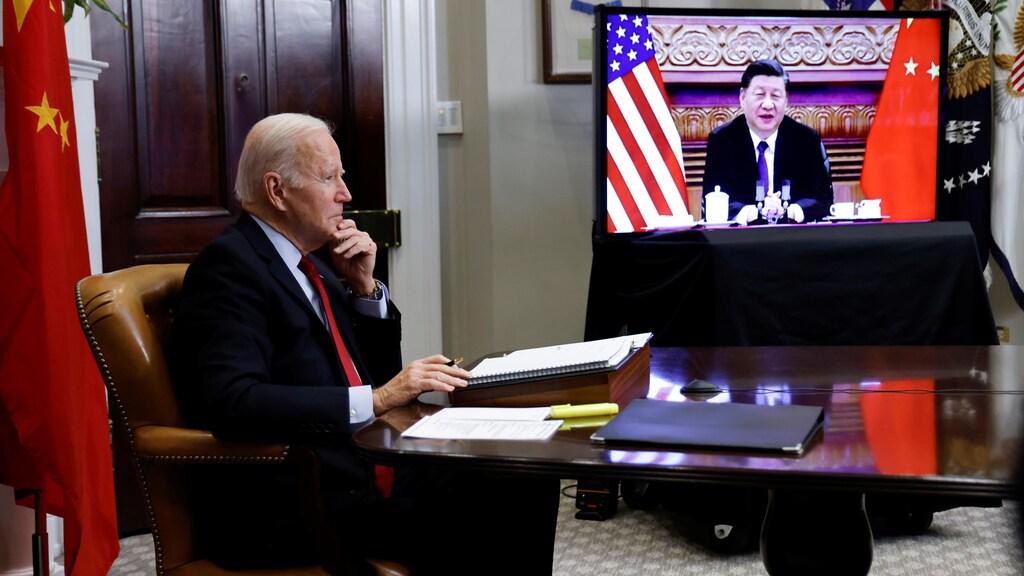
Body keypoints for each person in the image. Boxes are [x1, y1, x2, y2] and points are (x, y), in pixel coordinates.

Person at [170, 113, 558, 574]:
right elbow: (235, 401)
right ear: (277, 190)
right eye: (329, 177)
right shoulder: (230, 268)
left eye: (343, 176)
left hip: (362, 469)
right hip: (298, 498)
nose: (346, 194)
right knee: (479, 518)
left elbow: (374, 377)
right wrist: (379, 398)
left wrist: (364, 291)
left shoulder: (314, 264)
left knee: (526, 471)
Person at [702, 59, 834, 224]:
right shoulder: (723, 141)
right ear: (743, 98)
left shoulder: (805, 140)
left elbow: (823, 201)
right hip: (740, 242)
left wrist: (789, 211)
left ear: (785, 101)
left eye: (776, 96)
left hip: (795, 241)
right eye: (760, 95)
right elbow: (711, 201)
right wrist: (753, 212)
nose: (768, 104)